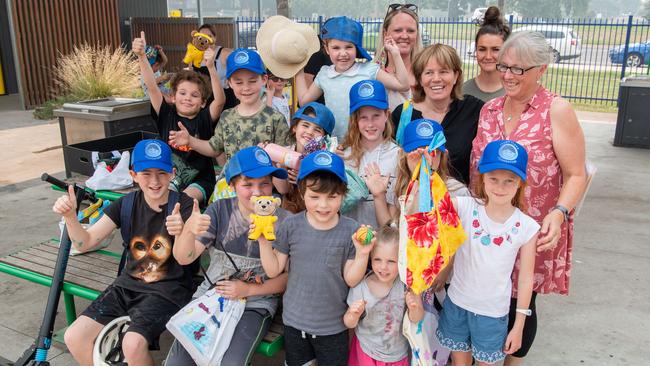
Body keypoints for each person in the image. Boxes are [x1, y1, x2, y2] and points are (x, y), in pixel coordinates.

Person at [470, 30, 587, 365]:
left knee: (520, 301)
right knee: (486, 296)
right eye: (504, 66)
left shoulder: (557, 110)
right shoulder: (489, 110)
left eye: (519, 69)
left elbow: (576, 173)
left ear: (542, 69)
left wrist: (560, 211)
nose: (507, 75)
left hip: (532, 227)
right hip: (488, 225)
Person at [55, 140, 198, 366]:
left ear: (172, 173)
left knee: (131, 344)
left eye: (161, 173)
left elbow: (187, 257)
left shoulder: (185, 205)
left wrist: (182, 232)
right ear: (133, 174)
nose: (154, 181)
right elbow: (85, 242)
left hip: (168, 289)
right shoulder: (126, 204)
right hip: (127, 286)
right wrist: (71, 218)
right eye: (146, 173)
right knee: (74, 337)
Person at [165, 146, 291, 365]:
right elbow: (185, 257)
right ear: (232, 184)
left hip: (256, 303)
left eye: (265, 183)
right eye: (247, 184)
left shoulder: (285, 221)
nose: (258, 191)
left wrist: (249, 289)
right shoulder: (219, 210)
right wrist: (187, 230)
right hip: (212, 297)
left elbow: (286, 279)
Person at [258, 150, 372, 366]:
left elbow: (351, 279)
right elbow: (274, 271)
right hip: (294, 323)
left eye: (332, 196)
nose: (323, 205)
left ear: (343, 194)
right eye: (314, 196)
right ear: (302, 193)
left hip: (333, 326)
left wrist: (363, 253)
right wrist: (264, 242)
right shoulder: (290, 226)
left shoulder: (351, 230)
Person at [437, 140, 539, 366]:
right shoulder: (464, 206)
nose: (500, 187)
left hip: (493, 314)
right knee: (458, 360)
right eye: (493, 178)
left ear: (520, 183)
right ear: (482, 176)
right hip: (457, 304)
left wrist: (519, 325)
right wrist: (425, 163)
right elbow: (429, 204)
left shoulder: (527, 226)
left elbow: (525, 279)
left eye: (509, 181)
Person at [134, 31, 224, 206]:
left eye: (194, 95)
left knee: (182, 202)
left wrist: (211, 67)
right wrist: (142, 56)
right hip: (168, 177)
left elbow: (220, 101)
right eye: (182, 93)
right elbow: (152, 87)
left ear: (203, 102)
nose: (187, 98)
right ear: (173, 97)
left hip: (200, 181)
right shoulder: (166, 113)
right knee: (154, 200)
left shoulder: (205, 118)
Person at [169, 48, 291, 167]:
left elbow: (284, 161)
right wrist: (190, 141)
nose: (246, 87)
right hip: (232, 185)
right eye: (239, 82)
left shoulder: (276, 119)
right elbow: (214, 148)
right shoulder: (226, 116)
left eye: (252, 81)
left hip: (262, 186)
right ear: (229, 83)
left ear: (264, 79)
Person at [295, 16, 410, 140]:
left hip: (364, 143)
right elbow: (304, 101)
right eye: (336, 48)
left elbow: (402, 85)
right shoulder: (324, 74)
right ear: (327, 49)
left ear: (356, 48)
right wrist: (298, 68)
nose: (343, 53)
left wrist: (395, 53)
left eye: (348, 47)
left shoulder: (368, 70)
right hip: (336, 145)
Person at [392, 44, 484, 185]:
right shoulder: (403, 115)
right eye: (428, 72)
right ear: (420, 79)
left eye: (443, 71)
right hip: (414, 200)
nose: (436, 79)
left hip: (460, 201)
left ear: (456, 76)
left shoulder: (474, 110)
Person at [344, 223, 424, 366]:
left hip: (397, 355)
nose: (383, 267)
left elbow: (416, 318)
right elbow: (349, 323)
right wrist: (353, 314)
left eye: (391, 261)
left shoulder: (407, 285)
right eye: (377, 260)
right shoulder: (361, 286)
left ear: (401, 260)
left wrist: (414, 307)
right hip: (366, 351)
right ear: (371, 258)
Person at [340, 79, 399, 227]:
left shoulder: (399, 156)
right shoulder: (344, 156)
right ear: (355, 120)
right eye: (363, 117)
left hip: (383, 242)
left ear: (386, 115)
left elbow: (395, 219)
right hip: (350, 242)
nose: (370, 124)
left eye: (376, 116)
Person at [276, 101, 335, 213]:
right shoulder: (284, 152)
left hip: (318, 214)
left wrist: (305, 179)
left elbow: (330, 191)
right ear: (294, 128)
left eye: (317, 129)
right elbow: (282, 189)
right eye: (305, 125)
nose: (309, 132)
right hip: (290, 214)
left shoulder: (326, 159)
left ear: (324, 137)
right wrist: (281, 167)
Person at [373, 3, 423, 110]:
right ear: (385, 33)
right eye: (398, 30)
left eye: (410, 31)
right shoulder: (373, 72)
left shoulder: (426, 70)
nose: (404, 36)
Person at [463, 6, 511, 102]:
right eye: (482, 49)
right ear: (475, 50)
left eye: (495, 49)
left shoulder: (514, 94)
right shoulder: (462, 92)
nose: (488, 56)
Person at [192, 23, 239, 110]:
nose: (205, 39)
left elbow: (241, 69)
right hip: (204, 103)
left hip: (225, 101)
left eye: (209, 36)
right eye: (202, 36)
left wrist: (232, 81)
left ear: (214, 38)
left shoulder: (225, 53)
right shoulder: (194, 57)